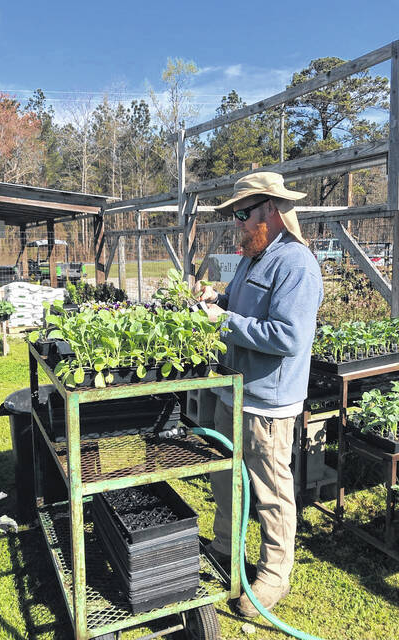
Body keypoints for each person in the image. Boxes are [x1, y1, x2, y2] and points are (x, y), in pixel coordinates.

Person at [197, 171, 323, 617]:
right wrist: (214, 298)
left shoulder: (296, 263)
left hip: (268, 401)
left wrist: (223, 322)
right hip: (234, 388)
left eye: (242, 213)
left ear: (270, 210)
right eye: (234, 214)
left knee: (270, 489)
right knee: (225, 476)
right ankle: (225, 546)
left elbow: (288, 336)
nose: (237, 222)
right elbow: (234, 302)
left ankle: (274, 574)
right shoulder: (254, 257)